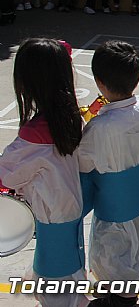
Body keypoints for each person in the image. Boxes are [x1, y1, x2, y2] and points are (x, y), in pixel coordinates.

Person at [78, 41, 139, 307]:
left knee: (113, 257)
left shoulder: (101, 127)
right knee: (134, 251)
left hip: (113, 210)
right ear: (137, 80)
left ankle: (119, 299)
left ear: (99, 82)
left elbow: (83, 163)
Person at [0, 38, 87, 307]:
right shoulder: (74, 118)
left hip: (50, 224)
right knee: (71, 287)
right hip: (71, 219)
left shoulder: (34, 135)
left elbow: (7, 176)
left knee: (55, 291)